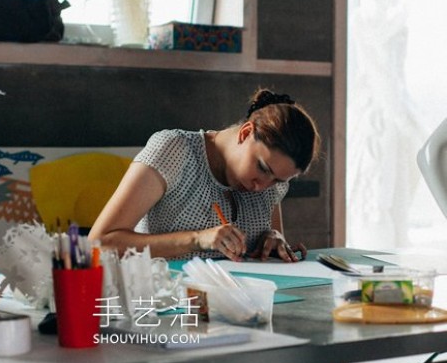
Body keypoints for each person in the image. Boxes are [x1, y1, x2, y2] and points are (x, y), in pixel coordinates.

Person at [89, 88, 321, 262]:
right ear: (246, 132)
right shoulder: (173, 150)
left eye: (279, 180)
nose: (262, 186)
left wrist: (275, 240)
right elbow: (100, 243)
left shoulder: (271, 185)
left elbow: (268, 243)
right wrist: (197, 239)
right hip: (164, 306)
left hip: (236, 307)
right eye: (262, 168)